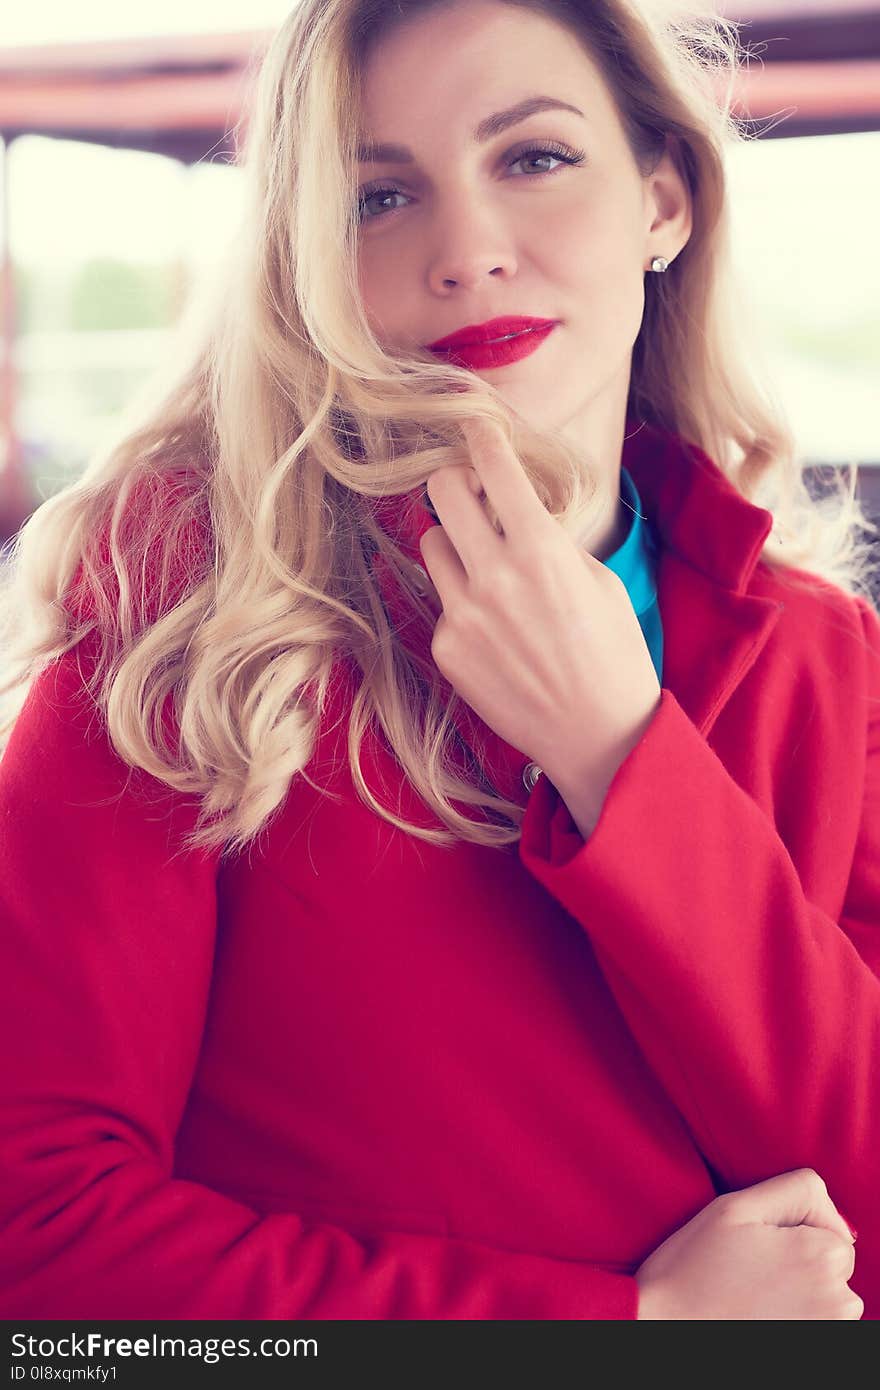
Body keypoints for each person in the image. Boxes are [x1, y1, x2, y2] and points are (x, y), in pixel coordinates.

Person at [0, 0, 876, 1321]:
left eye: (532, 158)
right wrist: (635, 1330)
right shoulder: (189, 616)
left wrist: (617, 753)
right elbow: (43, 1245)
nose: (465, 252)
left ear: (664, 201)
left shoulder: (831, 657)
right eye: (378, 197)